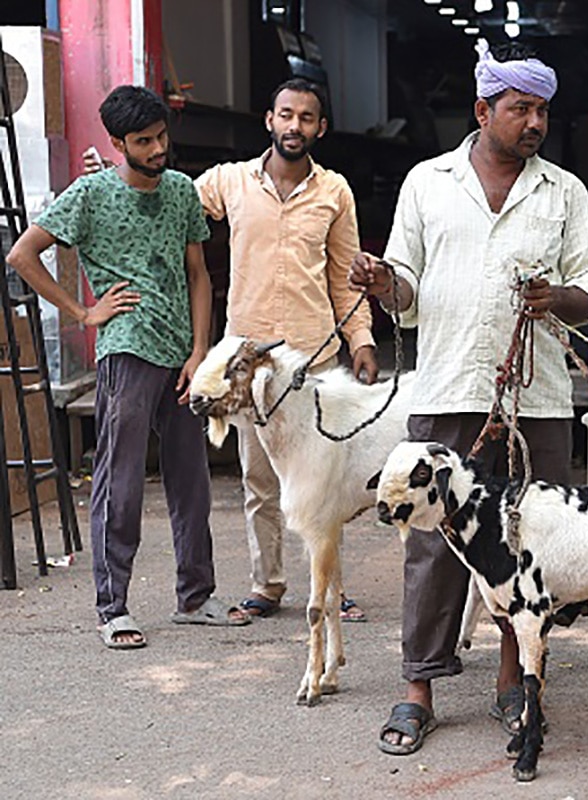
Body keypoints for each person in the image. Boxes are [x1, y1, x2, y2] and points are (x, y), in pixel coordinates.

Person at [349, 39, 588, 756]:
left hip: (540, 398)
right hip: (449, 386)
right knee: (432, 545)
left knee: (530, 544)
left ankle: (512, 682)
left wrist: (557, 295)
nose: (533, 123)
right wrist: (382, 284)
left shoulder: (564, 192)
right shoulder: (428, 183)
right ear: (482, 109)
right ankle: (418, 691)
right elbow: (403, 288)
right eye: (519, 108)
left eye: (541, 111)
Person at [7, 85, 250, 648]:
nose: (159, 147)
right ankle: (112, 607)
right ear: (118, 143)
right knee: (121, 481)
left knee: (192, 482)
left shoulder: (184, 192)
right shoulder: (89, 195)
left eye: (162, 136)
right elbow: (22, 254)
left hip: (182, 356)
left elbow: (199, 276)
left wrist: (200, 352)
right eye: (145, 141)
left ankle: (195, 596)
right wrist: (83, 312)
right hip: (126, 347)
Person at [192, 79, 377, 622]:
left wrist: (361, 340)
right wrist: (109, 177)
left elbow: (348, 276)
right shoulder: (229, 182)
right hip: (247, 365)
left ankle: (330, 587)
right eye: (286, 115)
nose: (295, 126)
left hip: (313, 358)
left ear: (321, 127)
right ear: (268, 119)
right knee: (259, 478)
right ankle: (267, 583)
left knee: (325, 479)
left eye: (307, 117)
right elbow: (169, 199)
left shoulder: (334, 192)